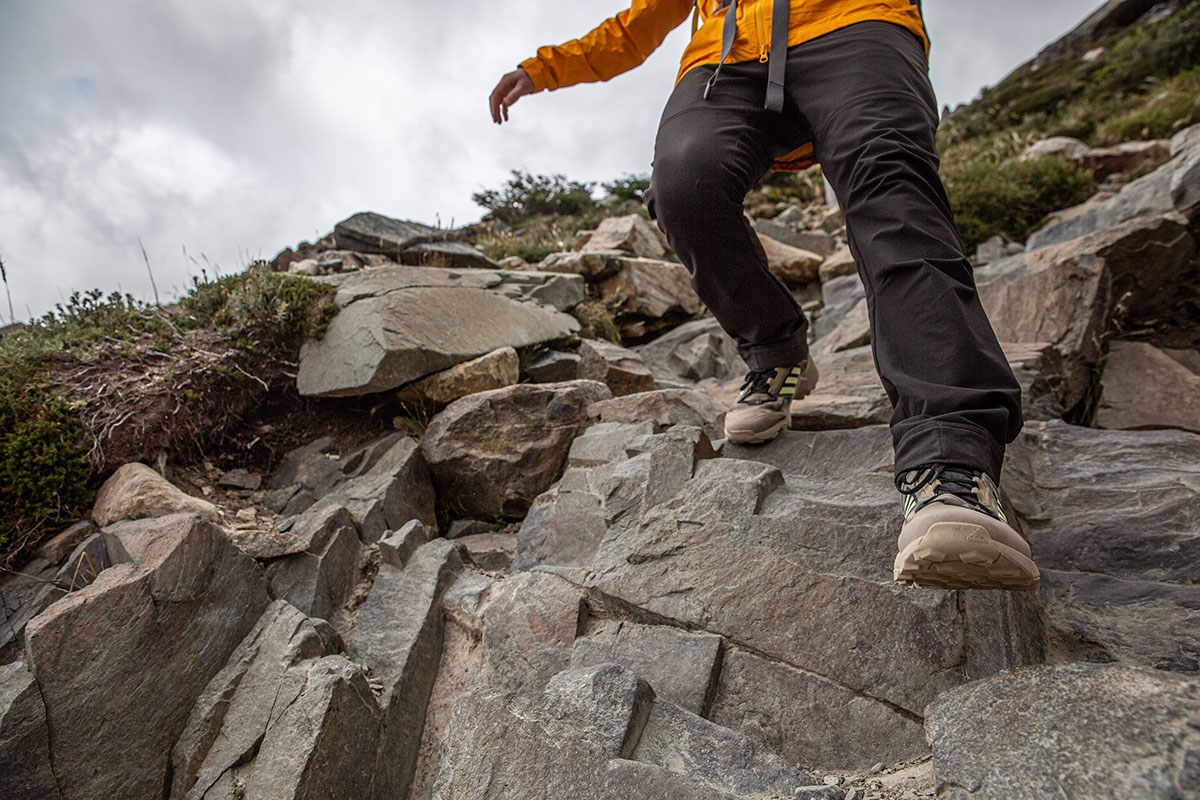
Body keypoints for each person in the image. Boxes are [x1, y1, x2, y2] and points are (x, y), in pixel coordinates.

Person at [488, 0, 1039, 592]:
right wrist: (543, 69)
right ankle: (777, 355)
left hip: (855, 22)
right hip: (727, 56)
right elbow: (635, 24)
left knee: (890, 189)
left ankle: (952, 468)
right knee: (683, 187)